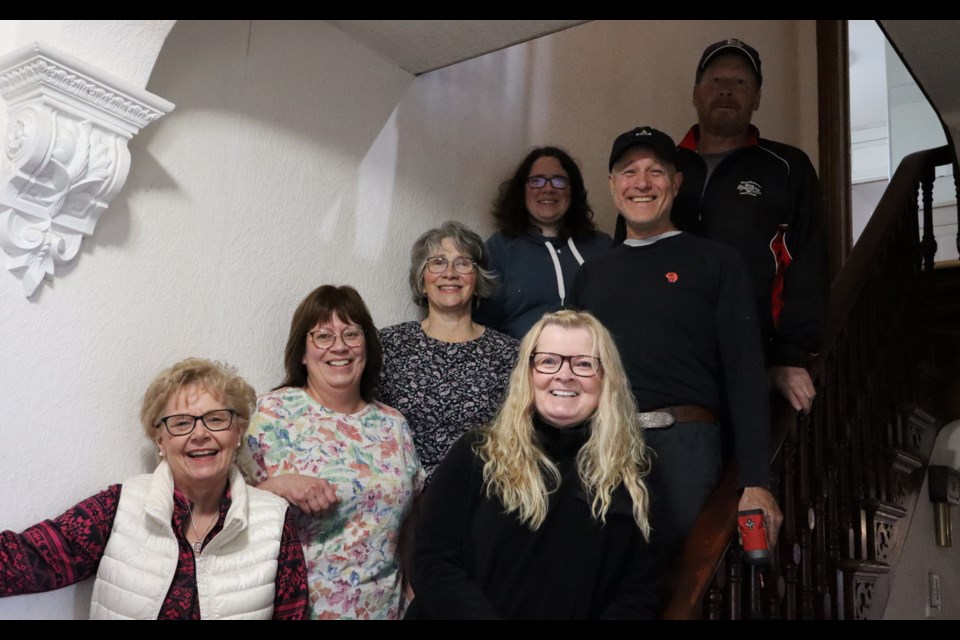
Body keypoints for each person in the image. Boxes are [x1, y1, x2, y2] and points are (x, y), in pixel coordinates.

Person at [571, 126, 783, 559]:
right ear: (613, 184)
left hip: (688, 446)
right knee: (604, 583)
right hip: (604, 447)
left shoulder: (716, 261)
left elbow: (745, 372)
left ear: (676, 182)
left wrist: (756, 481)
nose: (642, 183)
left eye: (656, 171)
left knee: (682, 583)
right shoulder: (590, 277)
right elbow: (571, 378)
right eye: (629, 172)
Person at [0, 357, 309, 619]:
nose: (200, 434)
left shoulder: (276, 520)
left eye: (216, 419)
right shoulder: (119, 506)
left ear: (238, 432)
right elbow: (26, 559)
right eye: (181, 422)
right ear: (160, 440)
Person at [614, 39, 829, 415]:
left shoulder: (787, 167)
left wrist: (791, 357)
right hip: (663, 362)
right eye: (715, 80)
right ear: (696, 93)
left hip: (754, 358)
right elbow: (627, 255)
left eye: (741, 82)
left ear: (758, 96)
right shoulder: (660, 170)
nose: (727, 89)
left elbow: (808, 265)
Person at [406, 310, 663, 619]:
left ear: (607, 376)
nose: (564, 375)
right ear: (528, 373)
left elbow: (640, 589)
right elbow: (432, 561)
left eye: (583, 363)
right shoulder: (477, 453)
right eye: (548, 361)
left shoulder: (635, 470)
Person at [242, 284, 424, 620]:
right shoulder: (269, 415)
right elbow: (224, 510)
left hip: (387, 612)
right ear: (302, 352)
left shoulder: (393, 424)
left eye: (352, 334)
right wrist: (277, 486)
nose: (339, 346)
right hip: (296, 611)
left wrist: (414, 594)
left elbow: (412, 521)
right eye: (323, 336)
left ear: (366, 347)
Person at [378, 221, 519, 484]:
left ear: (477, 282)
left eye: (463, 263)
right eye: (438, 262)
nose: (450, 273)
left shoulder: (509, 354)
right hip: (403, 496)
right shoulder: (388, 345)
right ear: (422, 282)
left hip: (481, 494)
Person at [474, 146, 613, 340]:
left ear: (572, 190)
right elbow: (483, 326)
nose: (548, 189)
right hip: (521, 364)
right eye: (537, 181)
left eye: (559, 181)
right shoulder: (499, 248)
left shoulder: (602, 247)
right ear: (522, 190)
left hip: (592, 363)